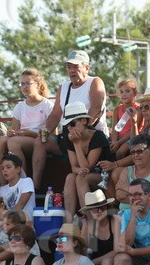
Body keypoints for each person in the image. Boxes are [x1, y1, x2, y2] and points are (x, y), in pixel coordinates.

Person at [36, 51, 108, 187]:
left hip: (91, 138)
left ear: (87, 68)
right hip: (68, 136)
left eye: (76, 66)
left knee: (80, 174)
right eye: (69, 67)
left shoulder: (95, 82)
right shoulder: (63, 87)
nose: (72, 70)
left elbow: (96, 108)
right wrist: (46, 130)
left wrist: (80, 132)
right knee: (40, 141)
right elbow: (55, 114)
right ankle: (35, 187)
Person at [0, 68, 53, 184]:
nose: (24, 87)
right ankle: (3, 185)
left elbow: (51, 135)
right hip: (21, 138)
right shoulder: (19, 107)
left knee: (13, 142)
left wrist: (31, 134)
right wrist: (11, 133)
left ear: (37, 85)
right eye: (22, 84)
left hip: (38, 140)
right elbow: (14, 130)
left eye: (27, 83)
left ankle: (23, 183)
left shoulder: (47, 105)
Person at [60, 102, 112, 219]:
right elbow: (74, 167)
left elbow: (87, 166)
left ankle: (88, 219)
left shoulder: (98, 136)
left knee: (81, 178)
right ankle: (69, 221)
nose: (69, 128)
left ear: (84, 121)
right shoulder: (69, 138)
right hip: (86, 174)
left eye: (72, 123)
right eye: (67, 125)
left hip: (105, 175)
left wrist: (76, 144)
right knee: (70, 177)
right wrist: (80, 170)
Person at [80, 190, 121, 265]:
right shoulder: (88, 225)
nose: (99, 211)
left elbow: (117, 250)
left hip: (115, 260)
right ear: (89, 212)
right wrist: (90, 264)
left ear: (107, 207)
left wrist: (93, 262)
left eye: (102, 207)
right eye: (94, 209)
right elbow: (81, 251)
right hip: (95, 264)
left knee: (106, 263)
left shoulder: (115, 220)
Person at [111, 133, 150, 207]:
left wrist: (126, 187)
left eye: (139, 151)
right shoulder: (126, 171)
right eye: (132, 152)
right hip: (125, 212)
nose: (136, 155)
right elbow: (119, 196)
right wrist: (143, 195)